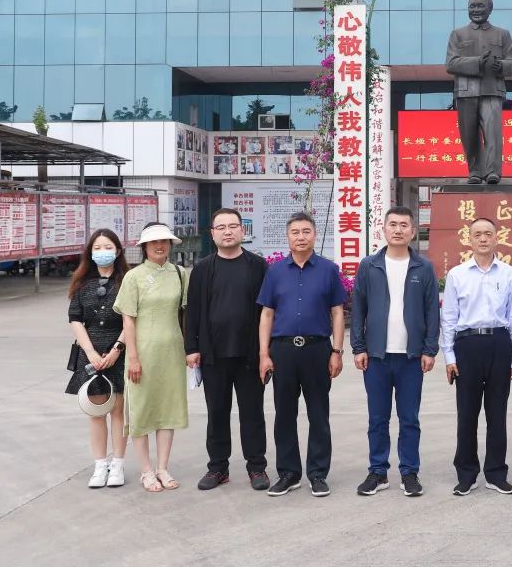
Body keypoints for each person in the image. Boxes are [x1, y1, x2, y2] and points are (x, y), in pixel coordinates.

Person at [351, 206, 440, 497]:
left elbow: (432, 310)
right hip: (376, 356)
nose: (398, 230)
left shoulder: (423, 267)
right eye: (393, 224)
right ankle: (378, 472)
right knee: (377, 419)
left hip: (411, 357)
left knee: (409, 418)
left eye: (404, 225)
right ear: (384, 229)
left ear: (413, 231)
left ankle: (409, 472)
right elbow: (358, 308)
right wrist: (358, 347)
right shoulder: (370, 265)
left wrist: (429, 349)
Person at [258, 212, 347, 498]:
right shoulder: (275, 272)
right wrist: (264, 354)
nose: (300, 237)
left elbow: (337, 312)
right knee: (284, 413)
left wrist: (336, 351)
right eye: (295, 232)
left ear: (315, 235)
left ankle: (318, 474)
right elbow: (267, 314)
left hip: (317, 349)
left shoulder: (328, 270)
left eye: (306, 231)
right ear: (287, 236)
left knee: (318, 413)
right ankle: (288, 473)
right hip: (282, 350)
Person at [185, 208, 270, 492]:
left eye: (233, 226)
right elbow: (192, 311)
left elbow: (268, 311)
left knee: (252, 413)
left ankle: (256, 467)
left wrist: (266, 352)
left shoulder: (258, 266)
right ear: (212, 234)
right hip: (213, 355)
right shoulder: (202, 269)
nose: (228, 231)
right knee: (217, 413)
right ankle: (218, 468)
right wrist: (191, 348)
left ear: (243, 231)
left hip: (249, 355)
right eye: (220, 227)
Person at [440, 217, 512, 496]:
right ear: (469, 239)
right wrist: (449, 357)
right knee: (467, 413)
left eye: (488, 234)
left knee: (497, 413)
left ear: (497, 237)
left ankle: (496, 473)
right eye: (478, 234)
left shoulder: (508, 273)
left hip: (499, 343)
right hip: (467, 345)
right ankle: (466, 474)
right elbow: (449, 318)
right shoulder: (457, 275)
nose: (483, 239)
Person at [113, 222, 189, 493]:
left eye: (164, 241)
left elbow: (185, 314)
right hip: (142, 352)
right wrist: (133, 357)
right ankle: (146, 470)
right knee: (142, 409)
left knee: (168, 409)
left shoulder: (180, 274)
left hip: (172, 352)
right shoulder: (133, 277)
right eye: (154, 242)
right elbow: (128, 320)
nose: (160, 246)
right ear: (144, 247)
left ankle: (162, 468)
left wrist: (190, 349)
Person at [65, 229, 131, 488]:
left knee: (118, 411)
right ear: (90, 253)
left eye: (108, 247)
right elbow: (75, 319)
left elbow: (131, 319)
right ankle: (100, 465)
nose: (103, 252)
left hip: (119, 352)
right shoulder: (82, 284)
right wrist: (91, 352)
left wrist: (117, 350)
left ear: (118, 251)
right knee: (96, 411)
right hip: (90, 353)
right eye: (98, 248)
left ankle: (118, 465)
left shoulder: (127, 281)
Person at [445, 0, 512, 185]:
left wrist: (501, 66)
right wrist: (477, 62)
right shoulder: (457, 34)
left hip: (492, 89)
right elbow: (450, 64)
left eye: (480, 6)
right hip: (465, 91)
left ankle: (493, 171)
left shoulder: (502, 34)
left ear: (490, 9)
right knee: (469, 134)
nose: (476, 10)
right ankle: (475, 171)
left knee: (493, 133)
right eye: (472, 6)